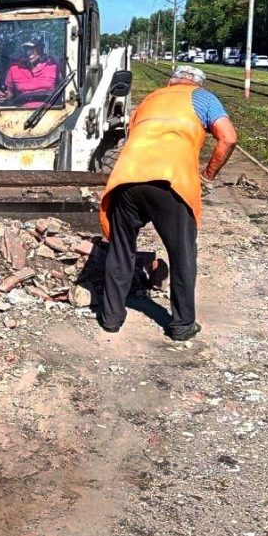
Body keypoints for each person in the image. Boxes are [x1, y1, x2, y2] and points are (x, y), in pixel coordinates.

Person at [97, 65, 238, 341]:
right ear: (196, 83)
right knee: (182, 252)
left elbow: (128, 136)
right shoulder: (202, 97)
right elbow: (229, 138)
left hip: (127, 177)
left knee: (121, 248)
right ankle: (182, 325)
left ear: (171, 82)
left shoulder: (151, 98)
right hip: (170, 182)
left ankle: (111, 318)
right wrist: (207, 175)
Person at [0, 38, 59, 108]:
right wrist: (4, 95)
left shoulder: (53, 66)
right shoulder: (15, 69)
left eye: (32, 48)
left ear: (41, 49)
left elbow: (62, 91)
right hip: (22, 113)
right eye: (26, 49)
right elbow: (10, 92)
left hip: (51, 112)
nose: (28, 52)